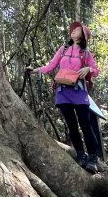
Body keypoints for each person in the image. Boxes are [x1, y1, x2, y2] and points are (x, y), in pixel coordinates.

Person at [30, 22, 100, 173]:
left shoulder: (86, 53)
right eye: (73, 29)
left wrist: (89, 68)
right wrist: (34, 71)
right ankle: (81, 156)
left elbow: (95, 70)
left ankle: (93, 158)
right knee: (72, 126)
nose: (73, 31)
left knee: (85, 125)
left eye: (77, 30)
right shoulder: (63, 49)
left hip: (79, 92)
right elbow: (51, 65)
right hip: (62, 92)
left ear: (83, 35)